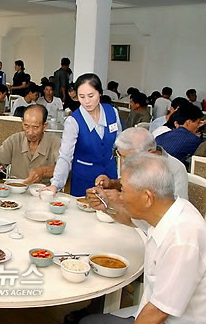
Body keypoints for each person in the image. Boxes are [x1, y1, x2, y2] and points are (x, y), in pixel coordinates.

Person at [81, 153, 206, 324]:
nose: (120, 196)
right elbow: (130, 219)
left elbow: (158, 312)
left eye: (123, 190)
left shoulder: (182, 239)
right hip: (149, 308)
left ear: (147, 197)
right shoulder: (168, 209)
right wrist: (106, 206)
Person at [87, 128, 188, 224]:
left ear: (151, 153)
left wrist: (123, 199)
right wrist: (112, 184)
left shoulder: (174, 170)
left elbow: (172, 217)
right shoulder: (142, 162)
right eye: (120, 156)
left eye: (128, 158)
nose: (123, 163)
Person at [45, 73, 122, 197]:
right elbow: (65, 156)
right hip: (84, 179)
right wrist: (56, 184)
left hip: (110, 178)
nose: (87, 101)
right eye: (81, 96)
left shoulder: (112, 112)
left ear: (100, 93)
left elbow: (119, 143)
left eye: (91, 96)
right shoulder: (74, 121)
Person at [0, 104, 60, 184]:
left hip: (44, 192)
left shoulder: (55, 142)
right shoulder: (15, 140)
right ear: (22, 122)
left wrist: (44, 171)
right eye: (26, 126)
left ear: (44, 126)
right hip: (15, 191)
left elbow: (65, 169)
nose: (30, 132)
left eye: (35, 127)